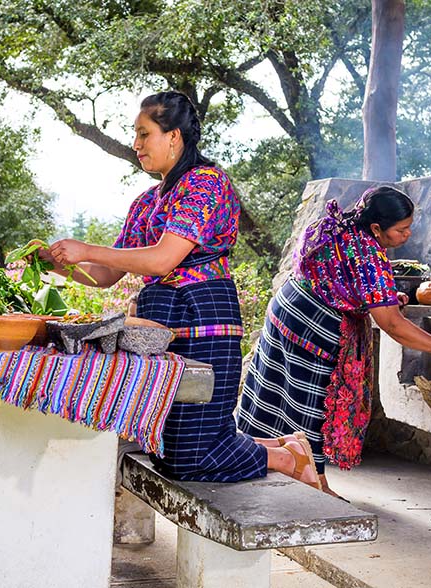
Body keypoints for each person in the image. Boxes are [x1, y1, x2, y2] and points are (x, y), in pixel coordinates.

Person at [47, 91, 321, 488]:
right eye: (135, 135)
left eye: (144, 134)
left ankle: (284, 457)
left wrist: (86, 247)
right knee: (165, 446)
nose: (136, 145)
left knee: (191, 455)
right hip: (157, 325)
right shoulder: (146, 202)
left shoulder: (206, 183)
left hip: (203, 317)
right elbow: (106, 274)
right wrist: (59, 265)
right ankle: (283, 448)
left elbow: (162, 260)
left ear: (173, 136)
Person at [237, 186, 431, 496]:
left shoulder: (337, 226)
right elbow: (392, 324)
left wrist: (381, 298)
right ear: (376, 227)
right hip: (314, 325)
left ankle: (259, 460)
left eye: (409, 226)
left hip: (288, 307)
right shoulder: (369, 257)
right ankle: (315, 483)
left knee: (272, 391)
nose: (407, 234)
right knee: (312, 403)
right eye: (401, 229)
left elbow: (341, 276)